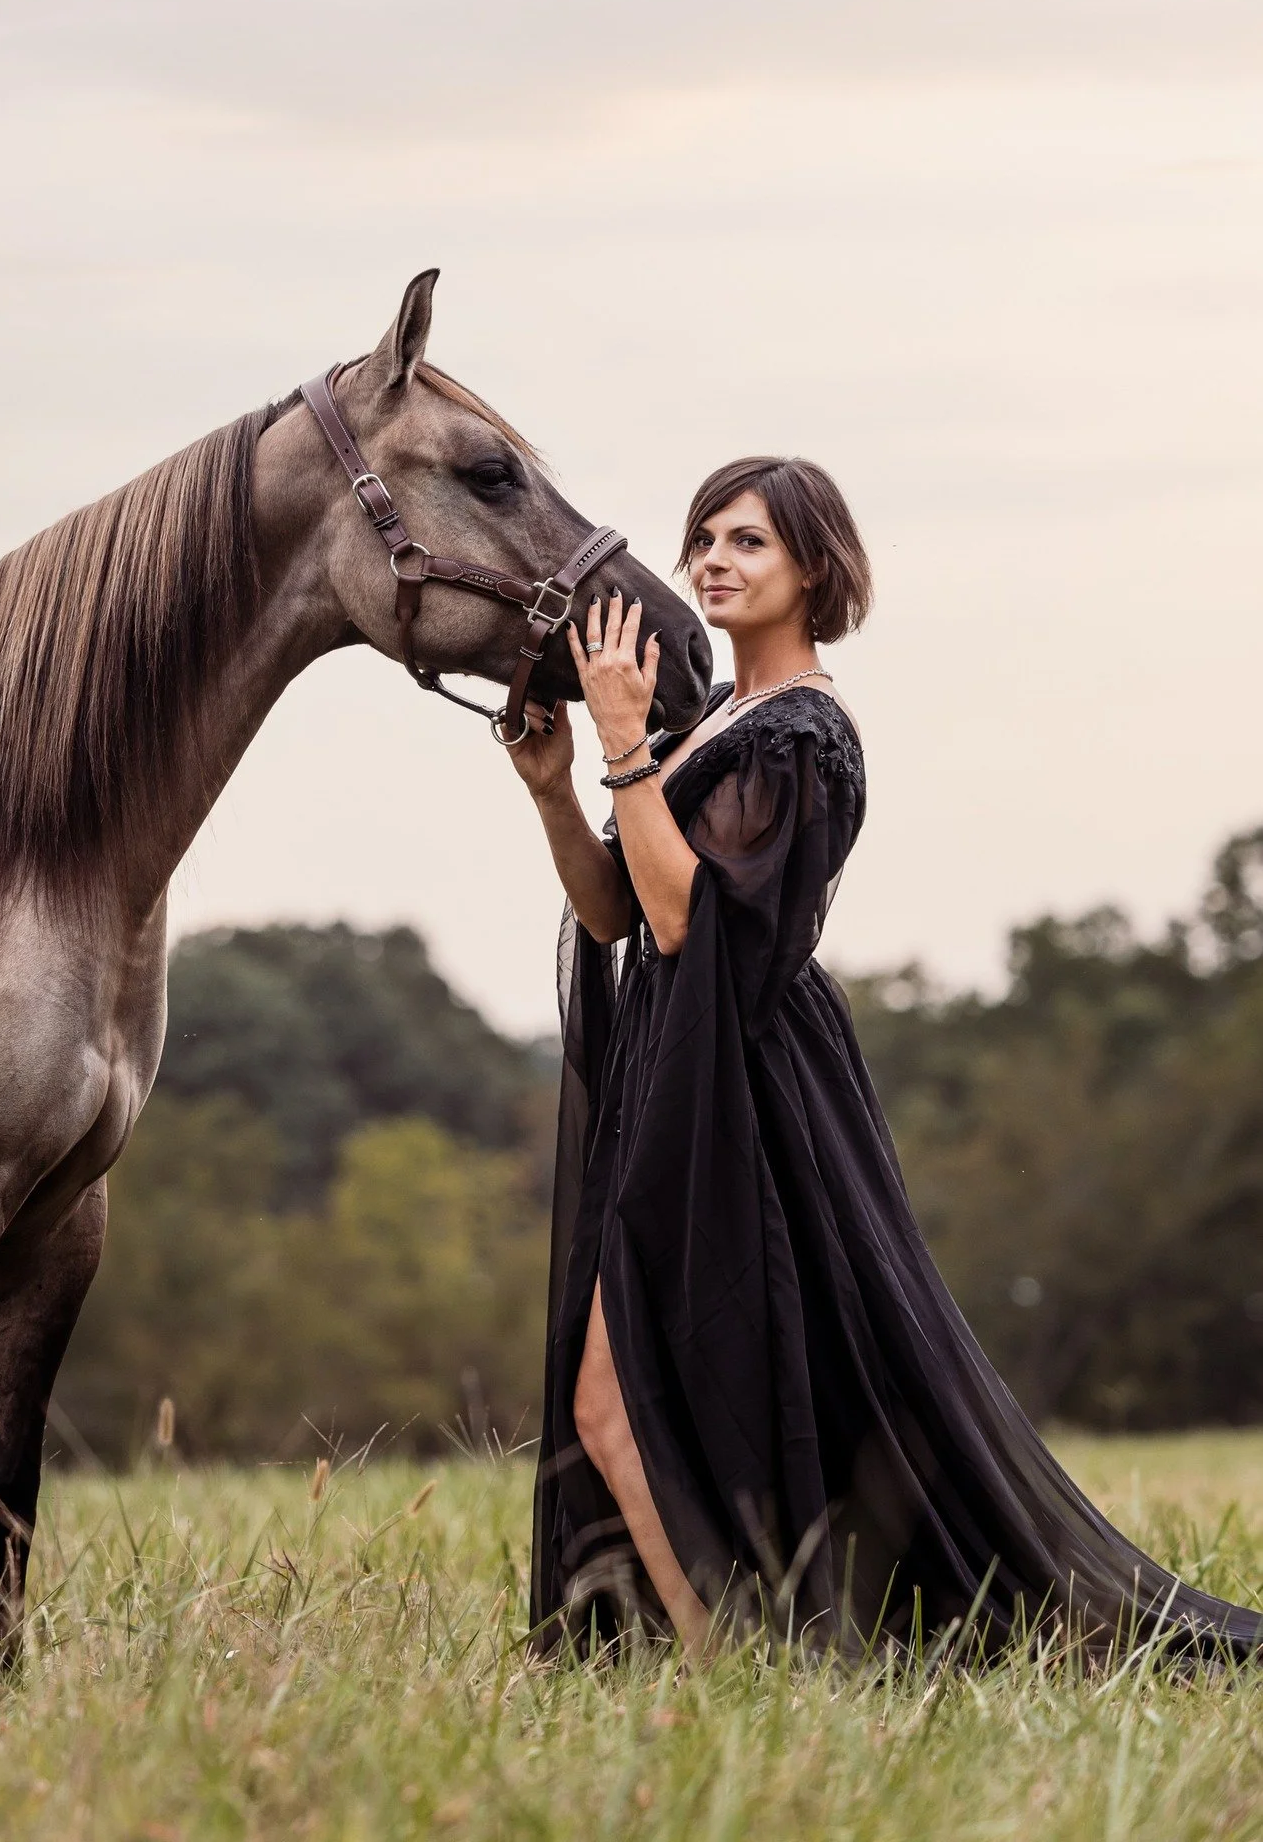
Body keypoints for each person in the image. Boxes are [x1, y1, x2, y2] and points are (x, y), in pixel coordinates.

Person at [507, 455, 1263, 1661]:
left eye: (748, 540)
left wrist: (619, 746)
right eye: (703, 536)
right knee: (633, 1381)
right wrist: (559, 788)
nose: (711, 558)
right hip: (674, 1073)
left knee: (626, 1382)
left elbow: (691, 920)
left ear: (815, 566)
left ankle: (733, 1666)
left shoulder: (805, 731)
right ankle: (732, 1655)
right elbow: (612, 913)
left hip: (748, 1090)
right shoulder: (711, 720)